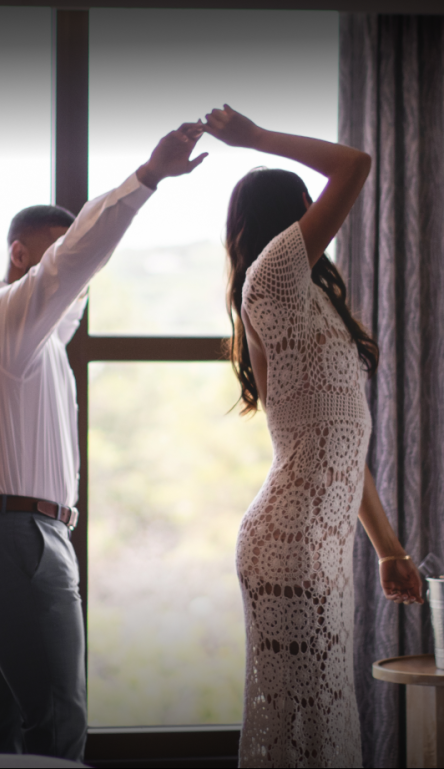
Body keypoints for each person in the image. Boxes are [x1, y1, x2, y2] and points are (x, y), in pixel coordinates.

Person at [0, 122, 207, 761]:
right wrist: (147, 177)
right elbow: (76, 261)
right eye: (58, 255)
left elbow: (76, 280)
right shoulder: (2, 320)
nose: (72, 274)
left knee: (5, 720)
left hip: (11, 536)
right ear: (19, 254)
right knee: (59, 723)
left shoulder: (37, 346)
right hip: (19, 538)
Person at [202, 105, 423, 769]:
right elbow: (355, 165)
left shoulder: (313, 298)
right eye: (308, 203)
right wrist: (256, 139)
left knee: (322, 722)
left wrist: (386, 548)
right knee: (306, 728)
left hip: (318, 538)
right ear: (296, 209)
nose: (321, 213)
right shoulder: (273, 273)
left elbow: (340, 446)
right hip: (291, 536)